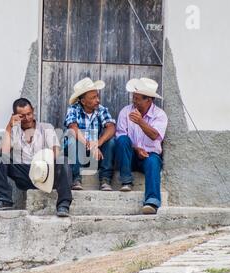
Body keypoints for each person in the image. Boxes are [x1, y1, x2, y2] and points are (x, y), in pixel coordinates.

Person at [0, 98, 73, 217]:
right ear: (15, 116)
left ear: (33, 111)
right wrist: (9, 127)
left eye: (29, 114)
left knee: (61, 160)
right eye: (22, 116)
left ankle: (63, 204)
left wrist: (45, 165)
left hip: (46, 173)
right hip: (25, 176)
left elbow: (56, 151)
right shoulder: (14, 131)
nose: (27, 118)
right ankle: (4, 199)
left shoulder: (46, 127)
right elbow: (5, 153)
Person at [115, 78, 168, 215]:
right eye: (134, 97)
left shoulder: (160, 115)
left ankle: (152, 201)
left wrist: (140, 121)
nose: (134, 101)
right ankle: (126, 181)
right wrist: (136, 149)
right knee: (122, 140)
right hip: (130, 155)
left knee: (153, 161)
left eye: (137, 99)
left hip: (149, 156)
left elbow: (154, 135)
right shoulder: (125, 112)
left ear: (148, 100)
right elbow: (120, 137)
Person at [64, 77, 116, 191]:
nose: (97, 100)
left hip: (95, 155)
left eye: (97, 96)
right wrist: (90, 145)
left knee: (111, 141)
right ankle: (76, 179)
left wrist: (97, 143)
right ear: (83, 101)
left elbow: (111, 127)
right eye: (93, 98)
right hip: (78, 154)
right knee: (73, 139)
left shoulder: (101, 109)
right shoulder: (73, 109)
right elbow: (73, 128)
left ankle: (105, 179)